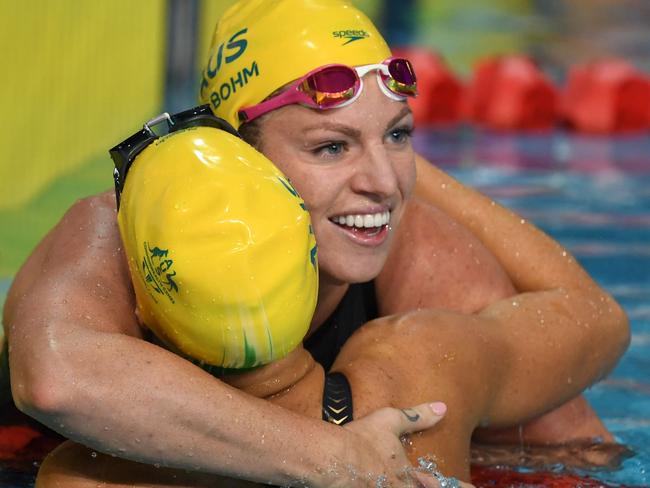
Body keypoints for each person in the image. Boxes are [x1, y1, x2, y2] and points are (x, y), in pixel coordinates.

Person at [3, 0, 628, 486]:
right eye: (330, 146)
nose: (382, 184)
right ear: (233, 155)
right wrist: (330, 457)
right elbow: (57, 378)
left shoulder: (410, 252)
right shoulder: (109, 237)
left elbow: (581, 450)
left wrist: (390, 167)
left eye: (400, 135)